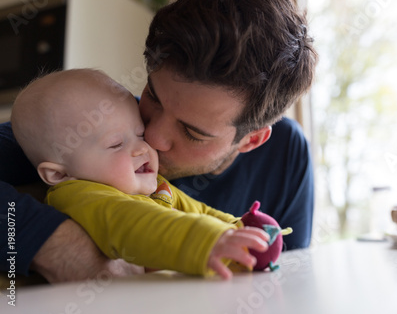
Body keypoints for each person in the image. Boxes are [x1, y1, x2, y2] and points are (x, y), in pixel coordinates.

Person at [0, 0, 317, 282]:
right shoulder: (85, 128)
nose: (151, 137)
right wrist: (52, 242)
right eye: (152, 95)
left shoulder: (287, 155)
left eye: (192, 132)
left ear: (252, 140)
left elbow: (286, 278)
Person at [10, 68, 269, 280]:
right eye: (115, 144)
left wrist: (239, 227)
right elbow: (136, 225)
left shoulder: (150, 184)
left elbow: (195, 210)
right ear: (57, 175)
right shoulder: (79, 194)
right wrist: (210, 240)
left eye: (138, 134)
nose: (144, 147)